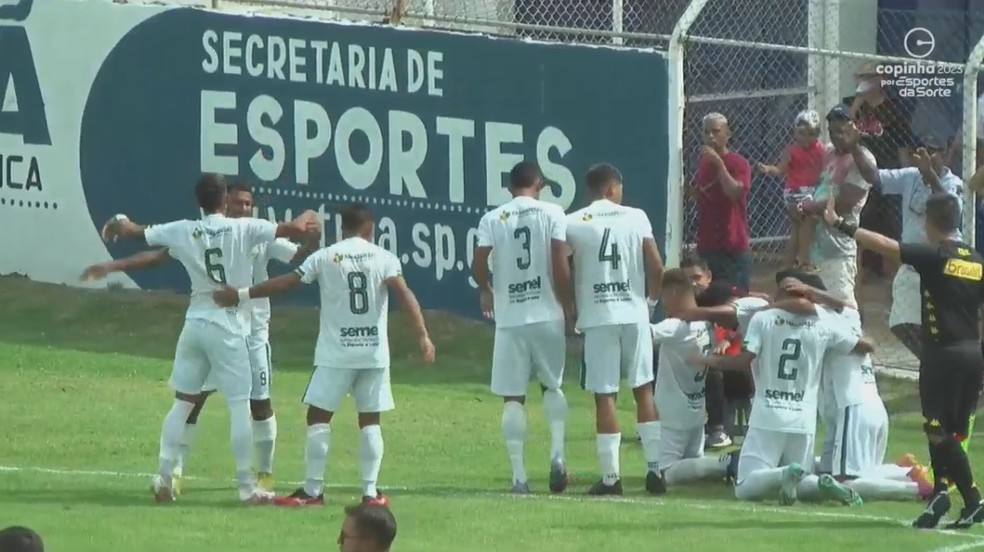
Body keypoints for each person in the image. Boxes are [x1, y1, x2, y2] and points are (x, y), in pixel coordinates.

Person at [95, 174, 320, 503]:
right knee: (239, 405)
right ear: (225, 200)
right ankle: (246, 486)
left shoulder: (185, 229)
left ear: (199, 200)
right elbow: (297, 229)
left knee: (183, 401)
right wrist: (309, 216)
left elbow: (136, 232)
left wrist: (120, 222)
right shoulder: (245, 228)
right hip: (229, 325)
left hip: (195, 323)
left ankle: (163, 475)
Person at [214, 202, 435, 507]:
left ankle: (313, 490)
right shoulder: (385, 258)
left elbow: (287, 283)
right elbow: (404, 294)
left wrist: (240, 294)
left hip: (336, 354)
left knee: (318, 417)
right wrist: (422, 335)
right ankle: (370, 492)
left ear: (341, 227)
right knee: (370, 420)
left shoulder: (326, 256)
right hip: (373, 354)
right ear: (370, 228)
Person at [820, 191, 984, 528]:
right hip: (972, 352)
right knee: (952, 431)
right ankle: (940, 495)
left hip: (941, 354)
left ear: (929, 220)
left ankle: (973, 499)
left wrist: (840, 224)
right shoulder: (976, 259)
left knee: (938, 431)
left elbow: (885, 245)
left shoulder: (937, 254)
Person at [692, 271, 873, 506]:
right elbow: (867, 345)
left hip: (768, 415)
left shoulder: (764, 318)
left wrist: (706, 360)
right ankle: (821, 484)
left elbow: (742, 360)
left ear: (781, 293)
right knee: (803, 480)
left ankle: (783, 473)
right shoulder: (824, 322)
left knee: (744, 486)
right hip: (804, 421)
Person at [472, 161, 573, 494]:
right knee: (552, 387)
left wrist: (486, 289)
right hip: (546, 312)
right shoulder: (553, 212)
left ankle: (519, 477)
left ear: (509, 186)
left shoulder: (493, 218)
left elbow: (478, 261)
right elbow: (559, 262)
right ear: (539, 183)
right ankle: (557, 456)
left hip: (511, 317)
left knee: (512, 397)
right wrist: (567, 305)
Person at [566, 163, 665, 496]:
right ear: (612, 188)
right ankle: (655, 471)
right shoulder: (636, 217)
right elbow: (656, 265)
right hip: (634, 312)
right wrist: (649, 302)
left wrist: (570, 307)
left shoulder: (574, 222)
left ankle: (611, 478)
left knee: (605, 395)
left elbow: (560, 264)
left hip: (598, 316)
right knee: (644, 390)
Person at [851, 134, 965, 359]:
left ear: (944, 154)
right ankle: (931, 360)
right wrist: (854, 146)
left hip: (943, 263)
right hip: (912, 263)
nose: (928, 155)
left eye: (933, 151)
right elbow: (874, 177)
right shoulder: (910, 176)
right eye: (923, 150)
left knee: (945, 323)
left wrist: (930, 175)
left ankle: (944, 363)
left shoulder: (953, 182)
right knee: (900, 323)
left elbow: (950, 210)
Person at [650, 268, 733, 486]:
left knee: (664, 471)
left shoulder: (675, 326)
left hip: (672, 413)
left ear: (674, 293)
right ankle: (721, 465)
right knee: (694, 464)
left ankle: (726, 463)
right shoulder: (708, 323)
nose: (663, 302)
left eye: (663, 295)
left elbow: (642, 335)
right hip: (697, 409)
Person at [799, 105, 876, 309]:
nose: (837, 136)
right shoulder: (829, 153)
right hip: (815, 243)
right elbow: (816, 185)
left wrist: (810, 207)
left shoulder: (863, 159)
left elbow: (844, 204)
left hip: (838, 247)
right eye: (832, 132)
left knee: (842, 305)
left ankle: (856, 338)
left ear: (855, 129)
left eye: (842, 131)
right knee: (816, 306)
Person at [846, 62, 914, 280]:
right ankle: (858, 275)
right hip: (860, 174)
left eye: (869, 76)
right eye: (860, 76)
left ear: (881, 80)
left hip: (886, 173)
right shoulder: (852, 106)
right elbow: (845, 130)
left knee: (890, 228)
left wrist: (907, 176)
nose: (863, 80)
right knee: (858, 224)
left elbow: (902, 145)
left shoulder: (893, 110)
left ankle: (892, 274)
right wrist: (858, 101)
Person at [689, 112, 753, 292]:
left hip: (733, 245)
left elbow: (734, 192)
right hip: (708, 244)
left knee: (737, 298)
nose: (710, 137)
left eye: (716, 132)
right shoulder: (701, 163)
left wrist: (719, 163)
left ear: (727, 134)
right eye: (706, 132)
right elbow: (704, 194)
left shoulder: (739, 163)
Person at [757, 110, 825, 269]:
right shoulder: (795, 150)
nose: (805, 138)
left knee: (796, 228)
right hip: (798, 193)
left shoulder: (818, 150)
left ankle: (788, 265)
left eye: (810, 134)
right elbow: (781, 169)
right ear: (795, 132)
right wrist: (768, 169)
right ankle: (805, 262)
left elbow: (823, 170)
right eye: (801, 134)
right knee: (807, 223)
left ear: (817, 133)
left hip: (802, 193)